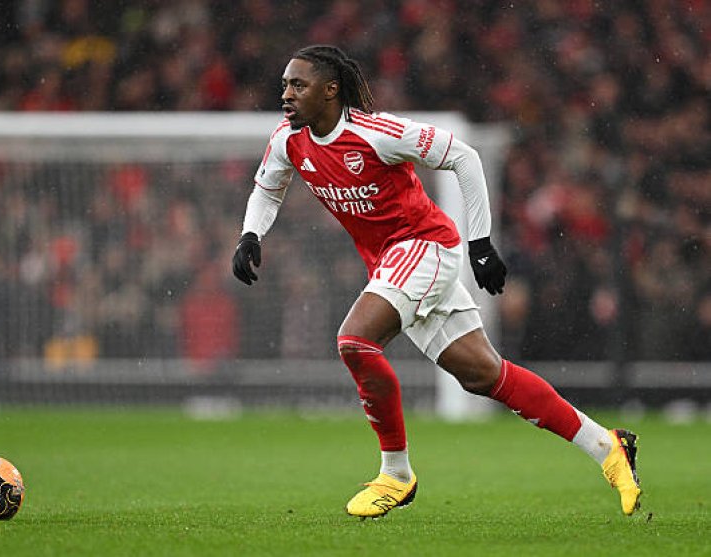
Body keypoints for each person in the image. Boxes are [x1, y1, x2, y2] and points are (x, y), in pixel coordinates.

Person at [231, 45, 641, 518]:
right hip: (391, 262)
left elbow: (463, 157)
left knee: (355, 342)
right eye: (285, 84)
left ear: (330, 90)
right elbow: (267, 189)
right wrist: (250, 234)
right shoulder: (288, 140)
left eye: (297, 85)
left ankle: (395, 474)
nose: (286, 94)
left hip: (423, 246)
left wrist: (481, 242)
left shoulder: (376, 134)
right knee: (484, 375)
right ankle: (607, 446)